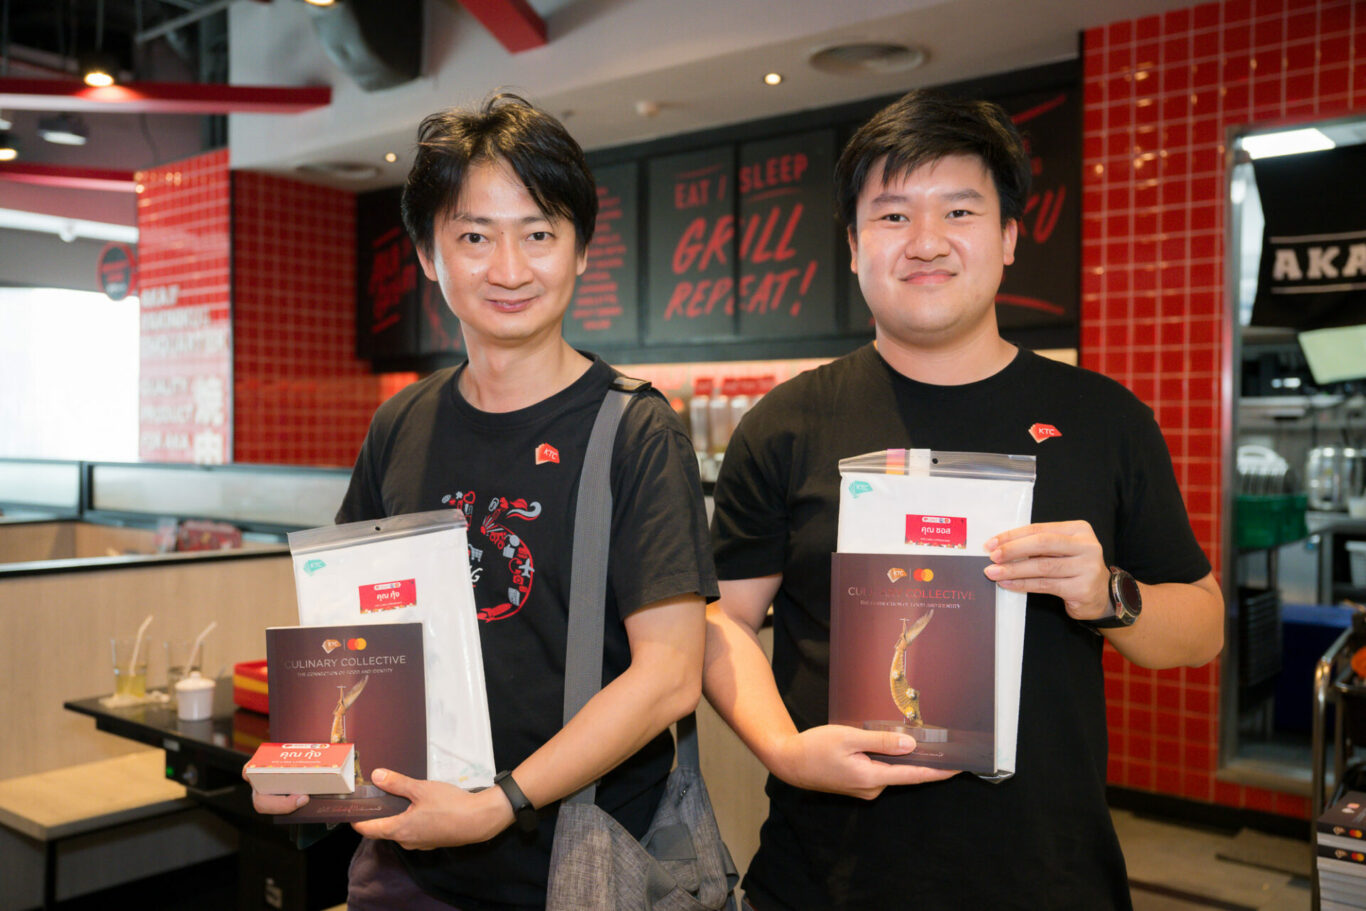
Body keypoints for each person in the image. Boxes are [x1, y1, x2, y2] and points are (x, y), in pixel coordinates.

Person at [703, 89, 1224, 910]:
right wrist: (783, 750)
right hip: (826, 876)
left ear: (1010, 237)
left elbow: (1202, 625)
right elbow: (722, 618)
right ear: (853, 246)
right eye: (893, 215)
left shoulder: (1104, 419)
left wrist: (1104, 593)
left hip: (1048, 877)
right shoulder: (785, 424)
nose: (926, 241)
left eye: (958, 210)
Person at [251, 94, 717, 910]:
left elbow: (670, 676)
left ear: (580, 251)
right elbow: (352, 636)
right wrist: (308, 759)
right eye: (474, 236)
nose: (508, 268)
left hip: (576, 870)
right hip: (403, 861)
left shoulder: (636, 429)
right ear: (428, 254)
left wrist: (498, 804)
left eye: (539, 233)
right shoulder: (401, 421)